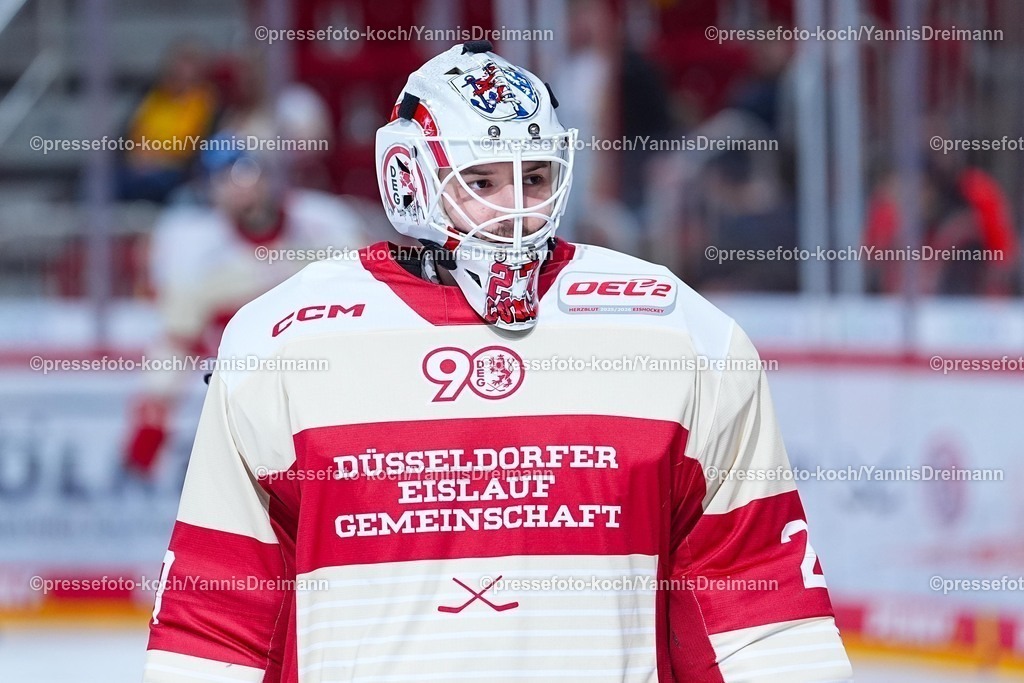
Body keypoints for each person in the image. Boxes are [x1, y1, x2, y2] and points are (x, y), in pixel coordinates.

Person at [142, 42, 853, 682]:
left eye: (535, 177)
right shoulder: (280, 341)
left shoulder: (681, 331)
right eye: (482, 182)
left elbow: (759, 608)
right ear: (409, 180)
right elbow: (217, 618)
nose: (517, 209)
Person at [122, 135, 373, 478]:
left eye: (247, 172)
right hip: (243, 397)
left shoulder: (324, 222)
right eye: (224, 178)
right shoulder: (193, 245)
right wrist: (152, 420)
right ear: (209, 188)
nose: (239, 187)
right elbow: (176, 342)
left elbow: (371, 290)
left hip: (328, 386)